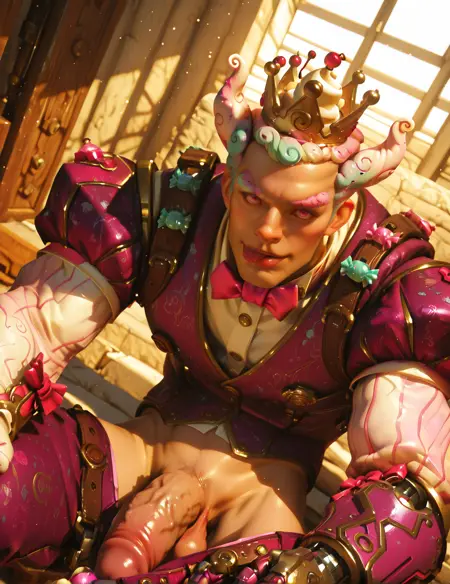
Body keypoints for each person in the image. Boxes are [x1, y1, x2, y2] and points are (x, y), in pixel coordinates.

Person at [0, 49, 449, 584]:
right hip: (138, 448)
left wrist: (325, 566)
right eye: (254, 200)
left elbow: (409, 490)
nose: (269, 230)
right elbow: (36, 321)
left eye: (301, 212)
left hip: (260, 505)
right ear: (231, 185)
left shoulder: (390, 292)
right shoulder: (164, 210)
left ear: (341, 211)